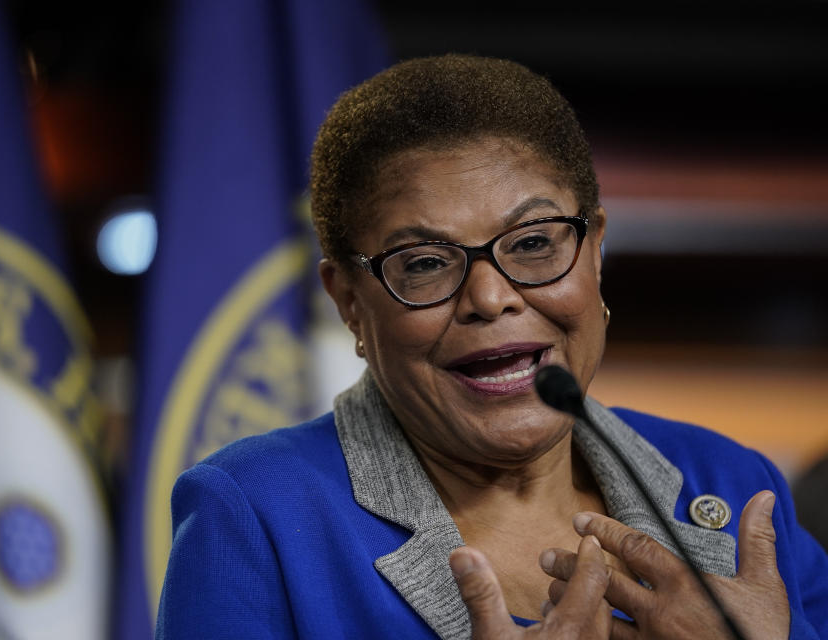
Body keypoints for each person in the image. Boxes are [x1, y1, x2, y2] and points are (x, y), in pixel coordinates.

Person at [155, 55, 828, 639]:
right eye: (423, 262)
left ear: (594, 250)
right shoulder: (257, 515)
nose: (489, 297)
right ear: (350, 302)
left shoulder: (735, 489)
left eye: (534, 243)